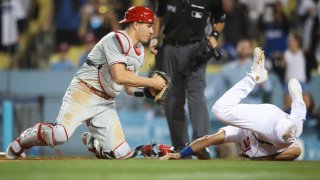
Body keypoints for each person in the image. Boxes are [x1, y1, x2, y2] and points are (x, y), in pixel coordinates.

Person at [5, 6, 166, 160]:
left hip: (106, 103)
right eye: (149, 26)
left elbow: (129, 88)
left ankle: (94, 143)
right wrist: (152, 82)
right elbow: (119, 76)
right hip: (83, 92)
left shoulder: (139, 53)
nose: (152, 31)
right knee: (59, 135)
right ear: (136, 24)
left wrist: (147, 92)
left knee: (120, 153)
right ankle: (21, 142)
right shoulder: (115, 39)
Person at [161, 47, 306, 161]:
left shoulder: (237, 133)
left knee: (218, 110)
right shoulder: (250, 147)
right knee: (291, 130)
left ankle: (255, 76)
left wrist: (181, 154)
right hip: (275, 126)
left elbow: (207, 140)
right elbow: (296, 151)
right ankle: (297, 99)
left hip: (262, 122)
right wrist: (268, 158)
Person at [149, 0, 225, 159]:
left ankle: (200, 143)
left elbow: (220, 18)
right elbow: (159, 16)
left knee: (195, 95)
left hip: (196, 48)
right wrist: (155, 37)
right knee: (171, 99)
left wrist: (214, 35)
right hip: (169, 47)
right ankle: (180, 147)